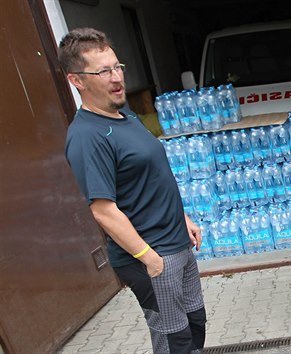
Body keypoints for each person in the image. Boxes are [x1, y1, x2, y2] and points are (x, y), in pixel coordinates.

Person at [58, 28, 206, 353]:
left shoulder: (125, 115)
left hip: (176, 243)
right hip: (150, 256)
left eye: (117, 67)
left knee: (195, 325)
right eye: (103, 71)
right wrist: (149, 259)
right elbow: (102, 210)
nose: (116, 78)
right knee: (173, 340)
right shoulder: (86, 136)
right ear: (77, 80)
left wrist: (182, 217)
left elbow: (153, 175)